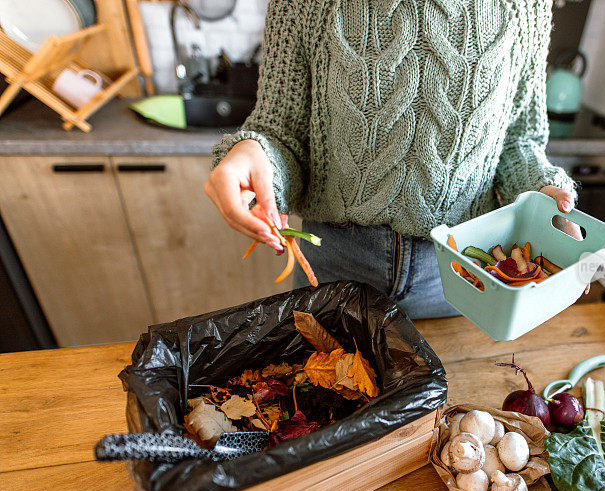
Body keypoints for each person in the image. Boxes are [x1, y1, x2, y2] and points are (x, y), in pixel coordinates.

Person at [205, 0, 579, 319]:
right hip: (335, 264)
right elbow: (282, 131)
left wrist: (544, 193)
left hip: (464, 272)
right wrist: (255, 153)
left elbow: (518, 141)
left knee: (458, 402)